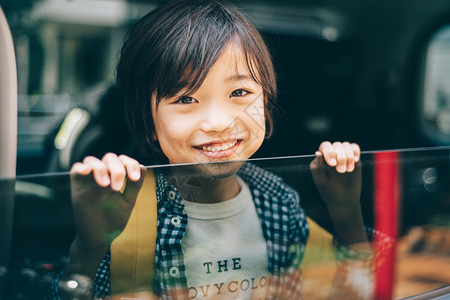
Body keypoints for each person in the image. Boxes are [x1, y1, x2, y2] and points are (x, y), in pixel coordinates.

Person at [49, 0, 372, 299]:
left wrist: (346, 210)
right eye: (186, 99)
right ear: (148, 123)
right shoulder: (125, 208)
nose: (218, 122)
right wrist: (88, 248)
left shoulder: (278, 200)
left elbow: (349, 288)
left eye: (240, 92)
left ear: (266, 103)